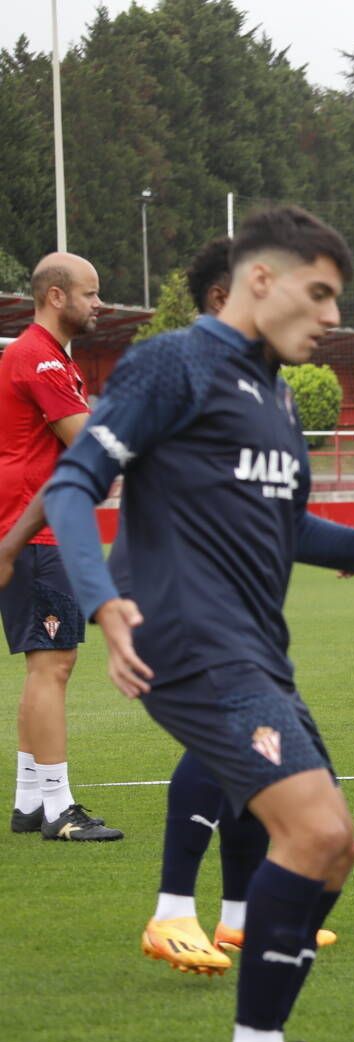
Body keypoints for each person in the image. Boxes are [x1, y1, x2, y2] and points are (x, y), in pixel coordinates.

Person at [40, 204, 354, 1042]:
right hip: (187, 640)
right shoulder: (174, 363)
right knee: (318, 826)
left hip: (258, 648)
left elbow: (284, 523)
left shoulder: (272, 392)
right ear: (260, 280)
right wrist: (103, 602)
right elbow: (72, 486)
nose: (333, 314)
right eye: (321, 292)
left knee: (329, 848)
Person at [0, 250, 122, 842]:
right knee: (53, 665)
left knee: (44, 666)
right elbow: (91, 445)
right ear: (56, 296)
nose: (100, 304)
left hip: (36, 526)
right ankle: (58, 809)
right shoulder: (40, 362)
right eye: (91, 293)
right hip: (38, 528)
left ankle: (29, 802)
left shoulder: (45, 358)